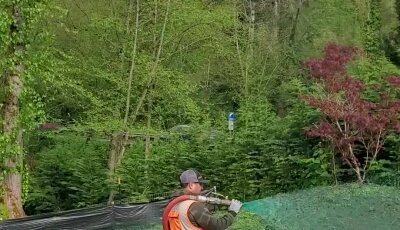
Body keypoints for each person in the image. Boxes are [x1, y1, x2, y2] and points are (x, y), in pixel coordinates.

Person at [167, 169, 242, 230]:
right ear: (191, 185)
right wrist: (232, 212)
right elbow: (217, 226)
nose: (202, 188)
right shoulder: (194, 206)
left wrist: (221, 205)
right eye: (200, 184)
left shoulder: (173, 203)